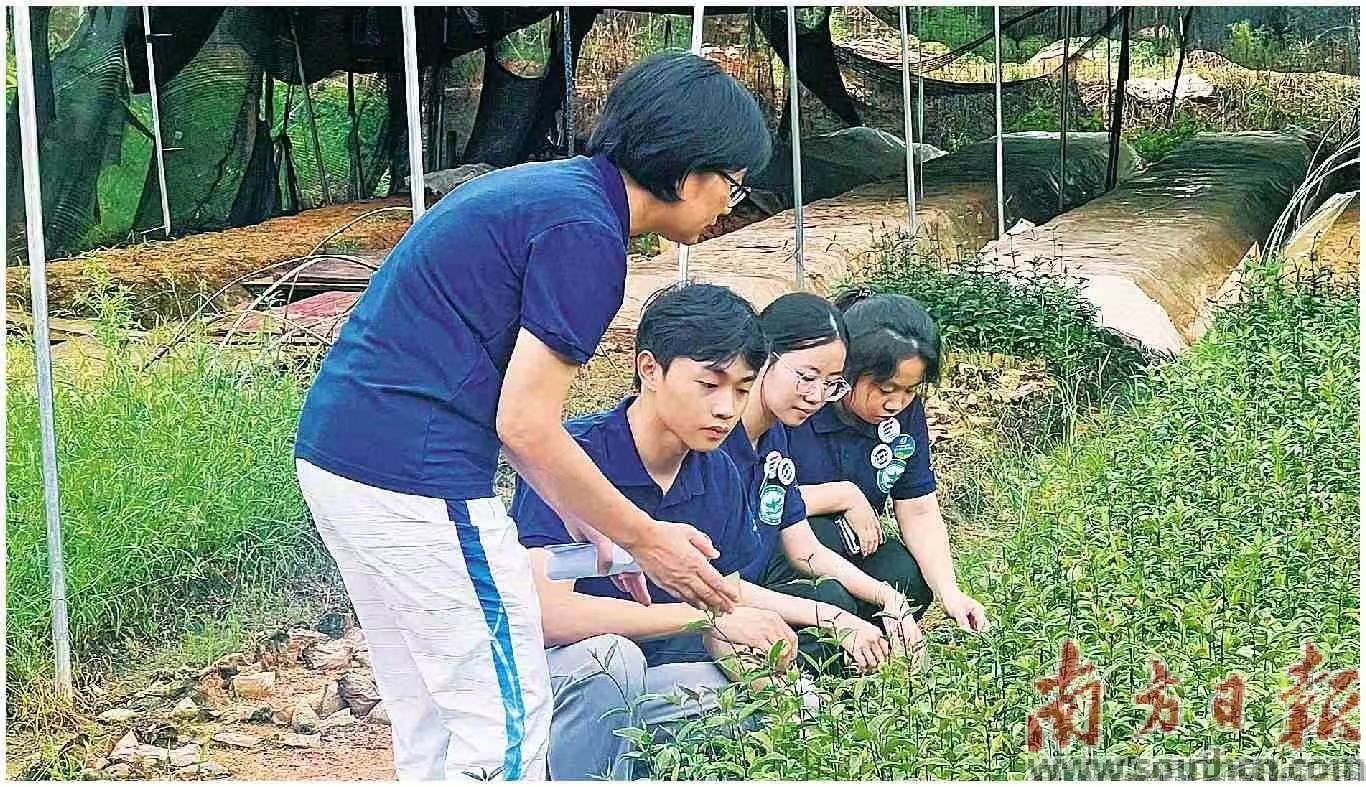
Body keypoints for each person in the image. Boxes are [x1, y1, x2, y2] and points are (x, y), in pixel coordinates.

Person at [292, 53, 771, 780]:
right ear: (690, 170)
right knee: (505, 718)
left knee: (434, 712)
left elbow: (514, 417)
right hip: (417, 475)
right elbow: (527, 423)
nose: (727, 207)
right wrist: (649, 541)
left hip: (342, 459)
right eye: (733, 185)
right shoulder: (587, 236)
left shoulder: (549, 195)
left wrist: (609, 531)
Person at [509, 283, 798, 779]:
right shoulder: (573, 457)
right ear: (649, 369)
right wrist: (703, 620)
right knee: (610, 661)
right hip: (551, 682)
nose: (727, 408)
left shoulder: (719, 472)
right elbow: (545, 616)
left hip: (653, 685)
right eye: (710, 384)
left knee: (792, 702)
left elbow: (722, 591)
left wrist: (760, 637)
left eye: (743, 389)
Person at [721, 292, 925, 675]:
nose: (816, 397)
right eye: (807, 377)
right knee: (829, 608)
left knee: (851, 590)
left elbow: (804, 549)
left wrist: (889, 599)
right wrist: (835, 618)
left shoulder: (774, 437)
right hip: (716, 608)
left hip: (756, 584)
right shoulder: (716, 439)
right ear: (763, 355)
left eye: (831, 384)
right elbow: (716, 585)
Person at [788, 291, 990, 637]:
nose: (897, 402)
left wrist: (950, 593)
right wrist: (842, 496)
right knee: (830, 592)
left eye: (910, 390)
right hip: (792, 552)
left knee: (907, 576)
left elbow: (919, 509)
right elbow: (759, 502)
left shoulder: (903, 417)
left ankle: (870, 644)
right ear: (849, 370)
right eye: (885, 388)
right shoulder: (801, 406)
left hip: (855, 550)